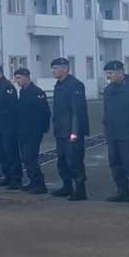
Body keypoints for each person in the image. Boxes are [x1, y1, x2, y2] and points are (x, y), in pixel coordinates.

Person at [101, 60, 129, 207]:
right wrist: (106, 132)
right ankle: (122, 192)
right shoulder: (109, 90)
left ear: (120, 72)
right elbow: (106, 113)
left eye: (111, 74)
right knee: (116, 165)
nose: (109, 77)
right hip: (113, 135)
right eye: (107, 74)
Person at [51, 57, 90, 201]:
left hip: (71, 131)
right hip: (61, 130)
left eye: (56, 68)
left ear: (66, 68)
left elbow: (77, 111)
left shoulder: (75, 85)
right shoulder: (59, 85)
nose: (53, 71)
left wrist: (75, 131)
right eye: (53, 68)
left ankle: (80, 190)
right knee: (62, 160)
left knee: (74, 161)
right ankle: (67, 186)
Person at [13, 68, 51, 194]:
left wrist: (41, 129)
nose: (17, 81)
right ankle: (33, 181)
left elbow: (44, 112)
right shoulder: (23, 91)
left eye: (19, 78)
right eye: (16, 78)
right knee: (26, 158)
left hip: (33, 131)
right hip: (23, 130)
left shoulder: (36, 92)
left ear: (26, 77)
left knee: (30, 157)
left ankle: (39, 184)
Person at [0, 65, 22, 190]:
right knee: (2, 154)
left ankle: (16, 178)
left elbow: (12, 108)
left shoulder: (7, 87)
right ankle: (7, 176)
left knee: (10, 153)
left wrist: (10, 126)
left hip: (7, 127)